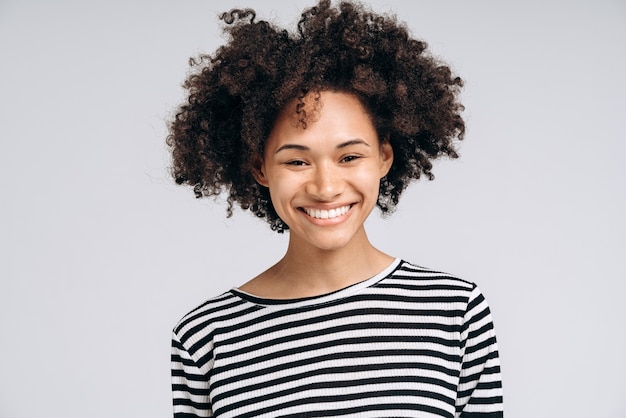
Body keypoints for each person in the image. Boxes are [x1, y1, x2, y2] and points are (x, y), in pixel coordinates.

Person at [167, 1, 503, 417]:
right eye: (296, 161)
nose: (326, 188)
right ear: (260, 168)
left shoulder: (453, 310)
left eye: (349, 158)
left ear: (384, 158)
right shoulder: (207, 337)